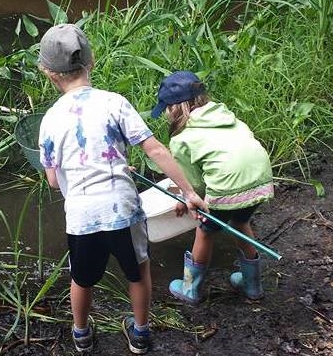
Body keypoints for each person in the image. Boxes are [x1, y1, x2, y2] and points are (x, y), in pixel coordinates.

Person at [37, 25, 208, 354]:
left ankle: (81, 334)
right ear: (92, 60)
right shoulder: (114, 102)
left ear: (48, 72)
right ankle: (141, 334)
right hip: (123, 211)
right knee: (138, 271)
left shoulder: (49, 119)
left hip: (82, 217)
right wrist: (188, 192)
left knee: (81, 279)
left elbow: (54, 181)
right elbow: (155, 150)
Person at [150, 71, 274, 305]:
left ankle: (190, 289)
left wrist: (184, 199)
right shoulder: (227, 116)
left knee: (204, 232)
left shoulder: (182, 139)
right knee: (240, 223)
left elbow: (193, 185)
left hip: (227, 188)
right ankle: (253, 285)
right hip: (261, 181)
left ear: (176, 109)